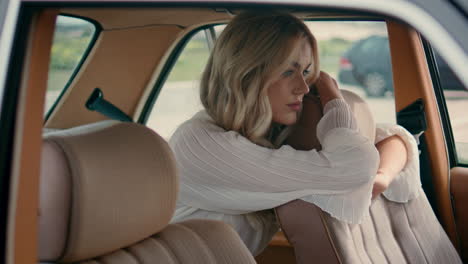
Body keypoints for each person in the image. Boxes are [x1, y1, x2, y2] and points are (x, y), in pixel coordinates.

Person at [169, 11, 421, 256]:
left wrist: (382, 178)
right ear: (245, 75)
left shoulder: (269, 134)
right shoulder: (200, 146)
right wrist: (333, 97)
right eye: (288, 71)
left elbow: (394, 138)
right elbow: (356, 165)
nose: (302, 87)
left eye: (306, 72)